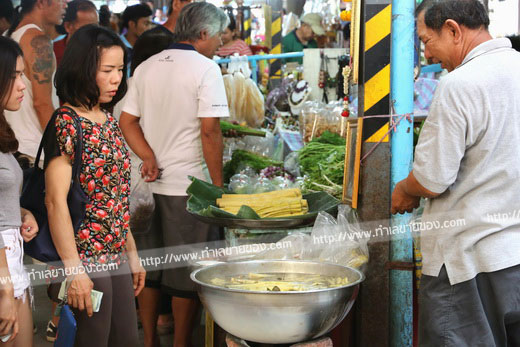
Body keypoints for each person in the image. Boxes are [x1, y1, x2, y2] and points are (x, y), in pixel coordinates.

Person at [391, 1, 520, 346]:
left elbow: (432, 179)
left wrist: (405, 188)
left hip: (469, 260)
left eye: (426, 41)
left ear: (452, 29)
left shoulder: (459, 84)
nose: (428, 54)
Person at [119, 3, 229, 346]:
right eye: (220, 36)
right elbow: (210, 132)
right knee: (185, 274)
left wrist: (148, 156)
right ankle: (181, 343)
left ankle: (149, 340)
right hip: (189, 189)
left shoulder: (147, 67)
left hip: (147, 190)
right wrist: (218, 185)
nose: (221, 44)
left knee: (150, 271)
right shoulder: (206, 69)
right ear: (203, 34)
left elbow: (126, 122)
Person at [44, 24, 145, 347]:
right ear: (84, 69)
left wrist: (131, 251)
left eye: (120, 69)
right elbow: (55, 202)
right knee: (93, 340)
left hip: (115, 250)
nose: (117, 79)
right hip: (86, 255)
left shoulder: (107, 119)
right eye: (107, 70)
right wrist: (74, 271)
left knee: (127, 338)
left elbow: (114, 197)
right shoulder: (67, 122)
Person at [0, 36, 39, 347]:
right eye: (14, 76)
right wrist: (4, 291)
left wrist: (21, 213)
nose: (23, 84)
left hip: (11, 265)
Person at [5, 0, 66, 167]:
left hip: (14, 147)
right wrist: (61, 152)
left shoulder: (8, 36)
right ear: (41, 3)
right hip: (33, 152)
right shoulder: (38, 40)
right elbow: (42, 103)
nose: (66, 4)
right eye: (61, 0)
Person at [53, 0, 98, 67]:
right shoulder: (52, 54)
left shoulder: (102, 53)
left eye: (96, 27)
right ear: (68, 27)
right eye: (87, 28)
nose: (94, 32)